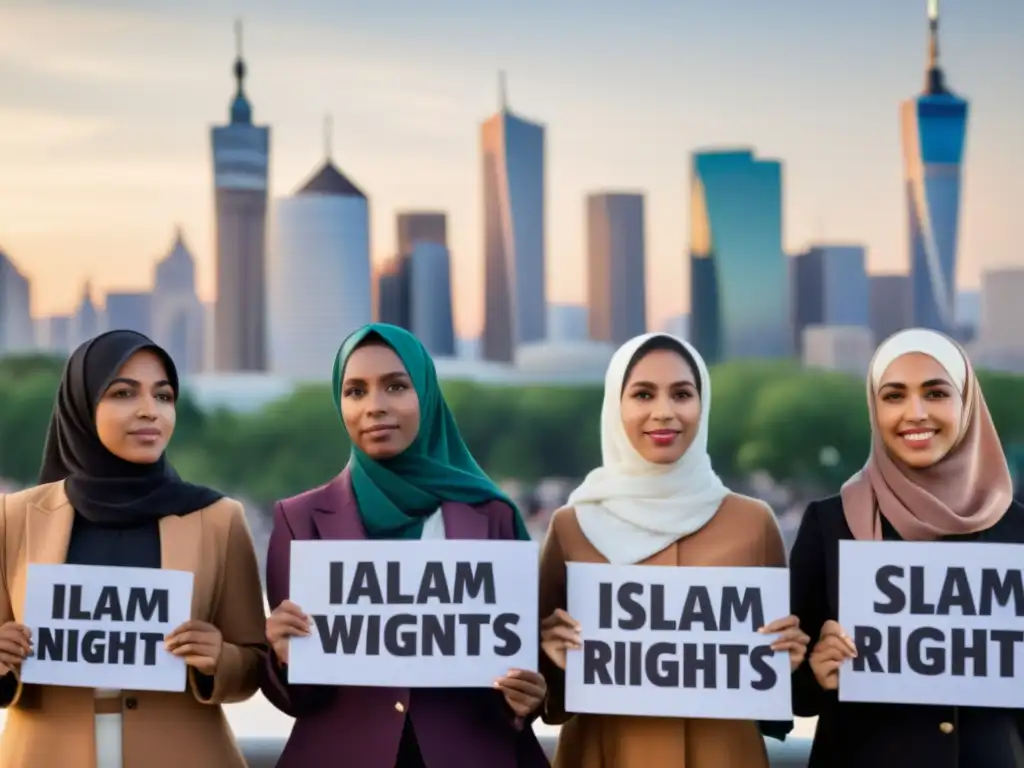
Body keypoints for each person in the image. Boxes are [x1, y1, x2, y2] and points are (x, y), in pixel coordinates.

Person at [260, 323, 550, 768]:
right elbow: (299, 696)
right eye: (355, 391)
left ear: (427, 396)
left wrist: (526, 697)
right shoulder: (299, 521)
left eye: (396, 386)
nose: (375, 407)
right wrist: (281, 656)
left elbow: (519, 675)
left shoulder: (493, 516)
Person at [538, 332, 806, 768]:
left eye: (682, 394)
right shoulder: (573, 525)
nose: (664, 412)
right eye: (643, 394)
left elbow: (774, 700)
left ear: (703, 404)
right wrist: (549, 656)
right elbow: (545, 697)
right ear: (615, 406)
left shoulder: (754, 524)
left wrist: (789, 662)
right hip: (605, 754)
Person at [0, 330, 266, 768]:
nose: (150, 411)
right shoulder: (16, 517)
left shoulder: (218, 519)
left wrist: (220, 657)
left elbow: (254, 665)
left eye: (163, 396)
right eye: (123, 393)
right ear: (82, 406)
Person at [790, 328, 1024, 767]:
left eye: (936, 394)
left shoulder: (1018, 529)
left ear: (966, 403)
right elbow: (789, 694)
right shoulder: (829, 523)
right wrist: (815, 674)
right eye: (894, 396)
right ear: (874, 409)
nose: (915, 413)